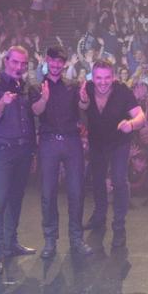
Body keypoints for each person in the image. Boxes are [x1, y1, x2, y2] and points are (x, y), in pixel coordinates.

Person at [31, 46, 93, 259]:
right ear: (47, 60)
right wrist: (44, 98)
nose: (56, 65)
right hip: (48, 142)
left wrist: (84, 98)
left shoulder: (73, 86)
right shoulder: (37, 86)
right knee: (48, 193)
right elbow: (36, 111)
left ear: (64, 64)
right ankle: (50, 240)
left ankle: (76, 239)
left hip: (71, 141)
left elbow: (83, 107)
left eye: (60, 61)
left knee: (76, 192)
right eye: (53, 60)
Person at [80, 59, 146, 248]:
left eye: (107, 77)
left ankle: (119, 226)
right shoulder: (87, 89)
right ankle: (99, 216)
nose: (103, 82)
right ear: (93, 77)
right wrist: (83, 101)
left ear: (113, 77)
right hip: (97, 142)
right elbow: (81, 106)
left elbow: (141, 117)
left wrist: (131, 124)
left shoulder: (122, 91)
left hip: (119, 142)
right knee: (98, 180)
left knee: (118, 180)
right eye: (98, 78)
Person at [0, 45, 37, 275]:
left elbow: (31, 119)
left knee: (16, 198)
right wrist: (2, 102)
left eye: (23, 63)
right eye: (15, 62)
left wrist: (33, 150)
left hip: (23, 150)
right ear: (6, 61)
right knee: (0, 200)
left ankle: (11, 243)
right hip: (3, 151)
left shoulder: (25, 87)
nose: (19, 67)